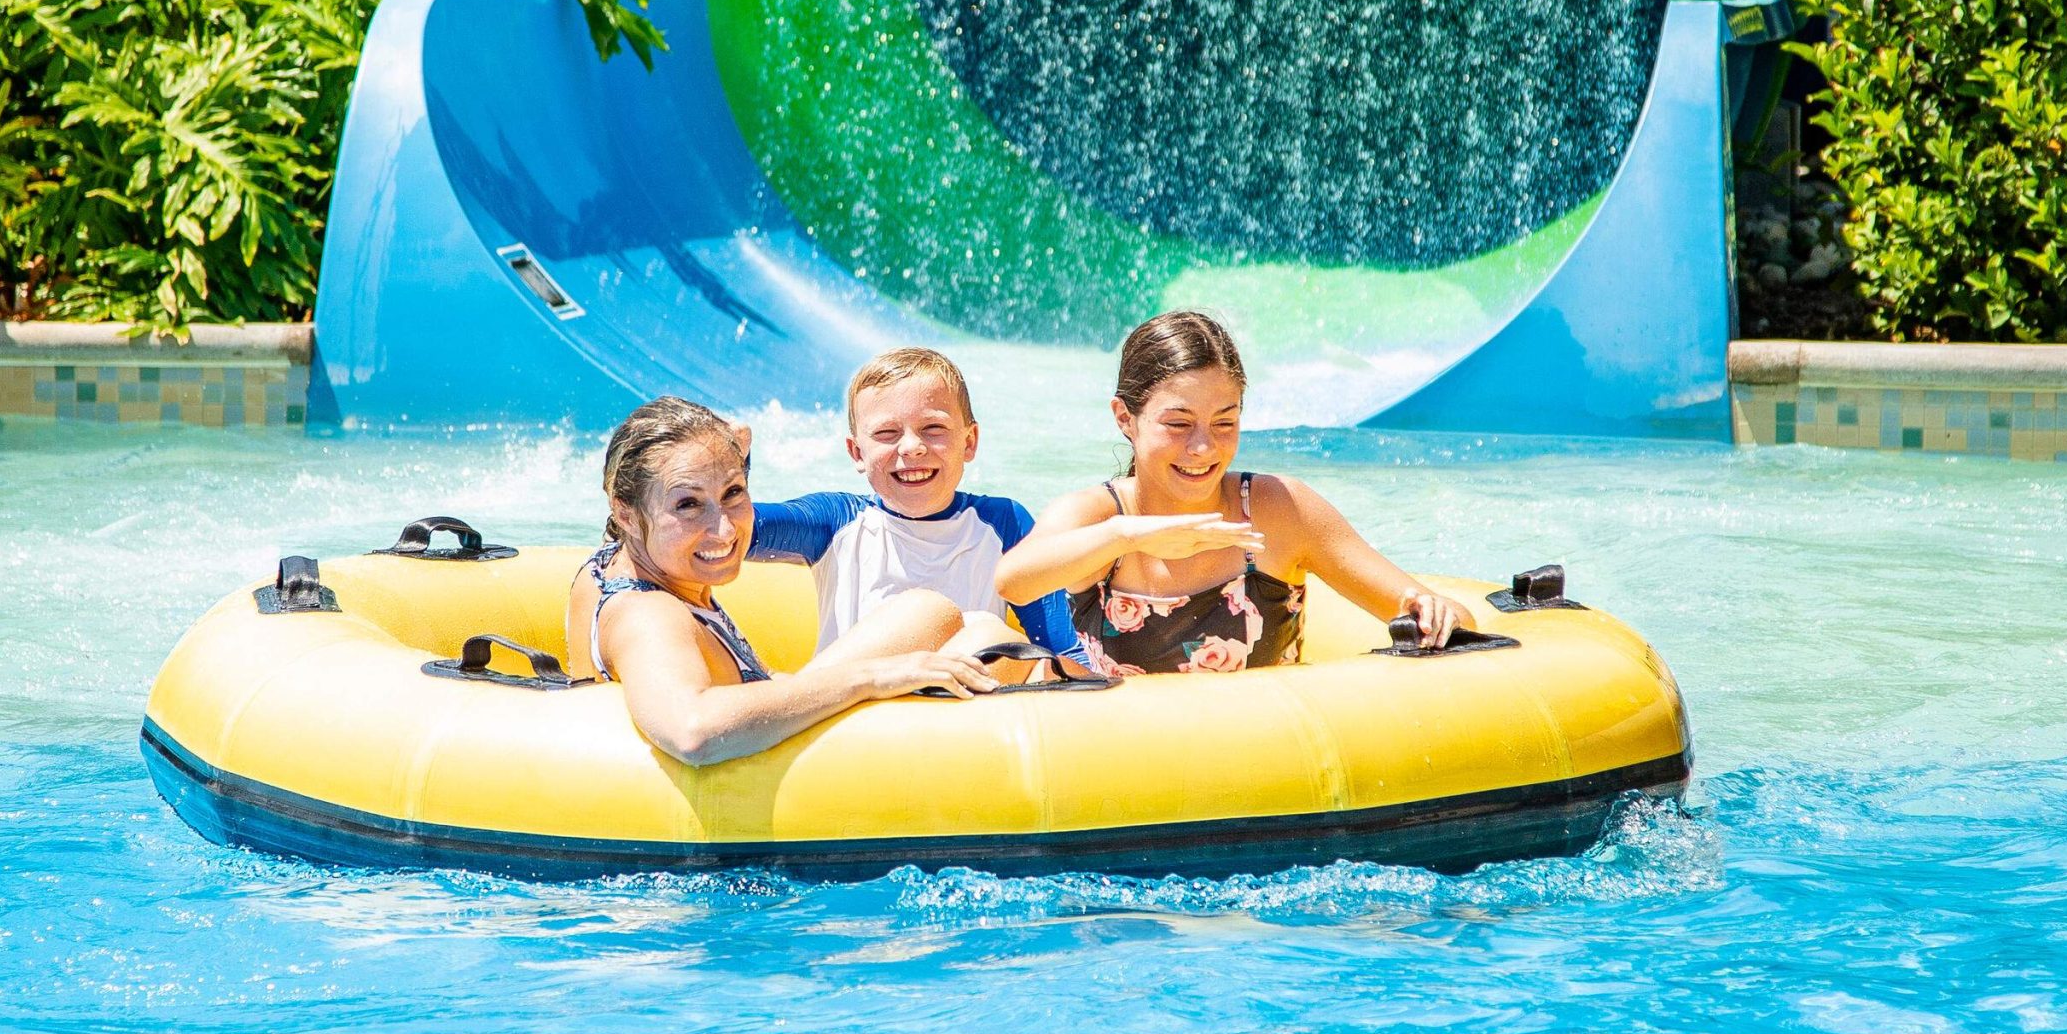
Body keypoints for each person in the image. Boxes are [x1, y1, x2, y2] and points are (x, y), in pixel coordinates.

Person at [995, 310, 1482, 676]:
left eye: (1225, 422)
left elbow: (1434, 612)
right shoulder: (1100, 515)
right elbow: (1013, 581)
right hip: (1135, 776)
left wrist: (1433, 612)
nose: (1203, 447)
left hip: (1269, 773)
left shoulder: (1277, 510)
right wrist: (1128, 537)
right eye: (1179, 423)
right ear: (1126, 418)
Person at [564, 396, 1002, 766]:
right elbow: (692, 730)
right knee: (982, 638)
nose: (724, 530)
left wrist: (722, 454)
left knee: (951, 620)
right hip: (758, 814)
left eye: (733, 493)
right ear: (624, 511)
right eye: (688, 505)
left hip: (763, 759)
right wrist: (871, 677)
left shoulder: (610, 563)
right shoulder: (647, 614)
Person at [748, 347, 1088, 668]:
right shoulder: (836, 522)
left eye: (933, 428)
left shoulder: (1004, 524)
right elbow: (739, 531)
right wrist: (732, 470)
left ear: (969, 442)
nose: (911, 447)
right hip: (853, 717)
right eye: (886, 433)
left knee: (985, 631)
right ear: (856, 453)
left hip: (956, 716)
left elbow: (1063, 648)